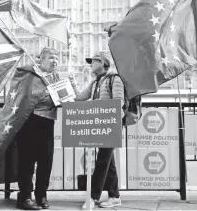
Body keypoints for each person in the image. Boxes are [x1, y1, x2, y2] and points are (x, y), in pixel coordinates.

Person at [70, 52, 124, 210]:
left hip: (110, 124)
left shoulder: (115, 79)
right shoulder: (95, 82)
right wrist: (72, 82)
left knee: (102, 160)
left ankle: (92, 197)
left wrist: (103, 112)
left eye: (93, 62)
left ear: (102, 63)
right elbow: (80, 97)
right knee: (108, 161)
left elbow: (119, 102)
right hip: (99, 124)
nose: (90, 65)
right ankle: (114, 196)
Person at [16, 47, 60, 210]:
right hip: (30, 121)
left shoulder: (57, 78)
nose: (55, 61)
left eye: (56, 58)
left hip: (48, 123)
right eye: (51, 58)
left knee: (46, 161)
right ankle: (25, 197)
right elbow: (22, 97)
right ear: (41, 60)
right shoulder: (30, 75)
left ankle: (41, 195)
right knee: (27, 161)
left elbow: (67, 99)